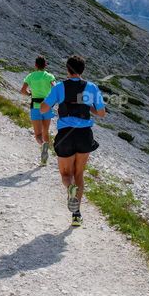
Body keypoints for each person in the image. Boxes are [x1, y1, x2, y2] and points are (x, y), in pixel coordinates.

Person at [40, 55, 106, 227]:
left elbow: (44, 108)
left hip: (65, 134)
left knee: (66, 175)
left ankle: (70, 189)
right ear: (83, 70)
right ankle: (76, 215)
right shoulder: (92, 87)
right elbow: (101, 113)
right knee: (79, 174)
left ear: (67, 69)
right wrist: (88, 106)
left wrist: (57, 103)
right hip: (85, 134)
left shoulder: (59, 87)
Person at [21, 56, 57, 165]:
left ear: (35, 65)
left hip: (35, 107)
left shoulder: (30, 76)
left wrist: (30, 94)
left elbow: (23, 90)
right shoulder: (49, 76)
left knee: (38, 134)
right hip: (47, 107)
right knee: (46, 131)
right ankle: (45, 156)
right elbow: (55, 88)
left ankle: (42, 145)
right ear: (45, 65)